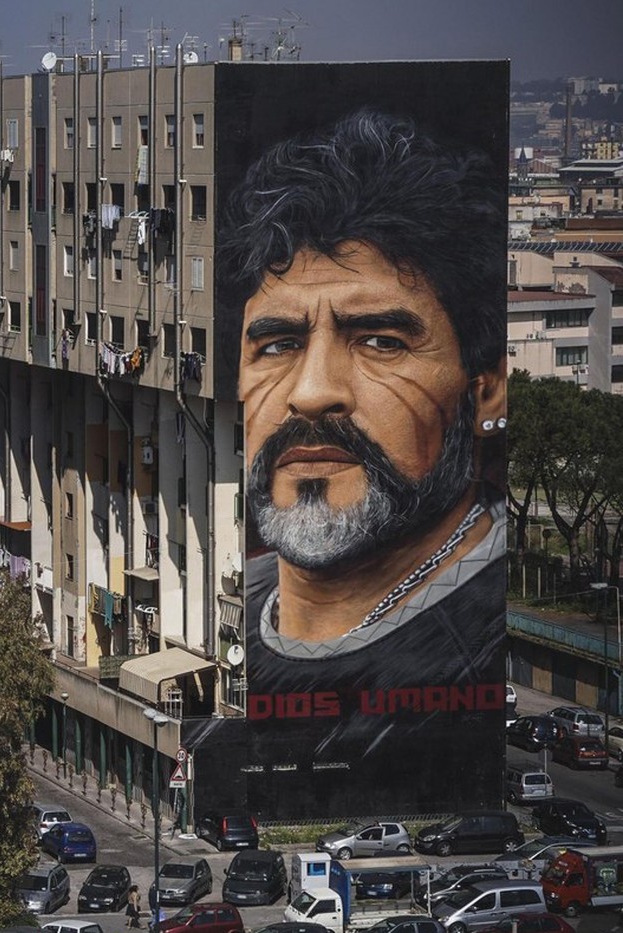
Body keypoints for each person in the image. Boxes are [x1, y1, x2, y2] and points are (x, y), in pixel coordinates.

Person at [205, 108, 508, 813]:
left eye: (378, 341)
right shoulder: (236, 604)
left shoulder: (486, 641)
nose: (311, 393)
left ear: (483, 390)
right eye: (276, 344)